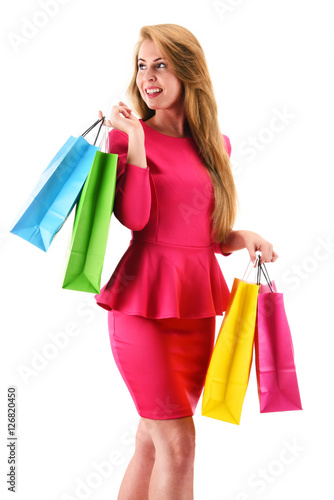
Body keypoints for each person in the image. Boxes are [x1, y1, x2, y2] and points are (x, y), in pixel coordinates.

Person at [95, 23, 278, 500]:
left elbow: (207, 234)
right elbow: (135, 220)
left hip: (195, 313)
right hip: (142, 310)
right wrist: (134, 140)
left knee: (153, 443)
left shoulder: (217, 145)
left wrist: (244, 237)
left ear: (189, 72)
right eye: (141, 65)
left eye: (161, 65)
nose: (148, 77)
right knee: (179, 444)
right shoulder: (127, 139)